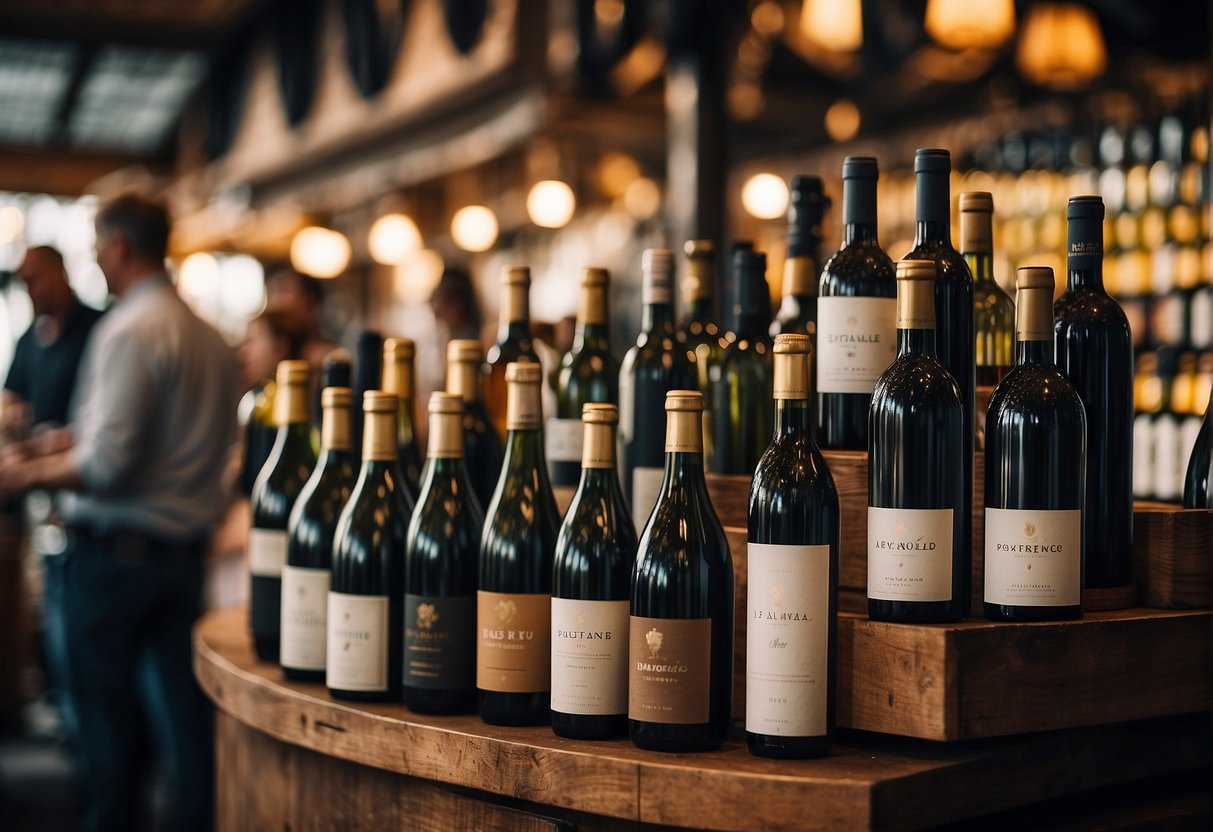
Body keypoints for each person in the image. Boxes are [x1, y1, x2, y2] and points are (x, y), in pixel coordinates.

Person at [0, 194, 238, 832]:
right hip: (182, 561)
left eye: (97, 248)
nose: (96, 263)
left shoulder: (129, 329)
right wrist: (60, 442)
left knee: (109, 752)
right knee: (185, 741)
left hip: (113, 566)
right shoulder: (211, 337)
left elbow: (109, 464)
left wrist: (22, 472)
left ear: (121, 248)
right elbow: (150, 442)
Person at [0, 245, 103, 739]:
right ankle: (68, 713)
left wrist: (61, 437)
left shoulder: (99, 330)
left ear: (61, 272)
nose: (29, 290)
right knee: (56, 615)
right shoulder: (28, 340)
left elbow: (110, 425)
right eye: (22, 282)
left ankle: (86, 726)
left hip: (90, 494)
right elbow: (12, 399)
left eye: (35, 279)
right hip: (41, 497)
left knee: (82, 629)